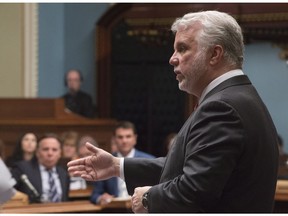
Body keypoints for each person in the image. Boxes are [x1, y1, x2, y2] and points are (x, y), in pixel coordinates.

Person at [67, 10, 279, 213]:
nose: (172, 58)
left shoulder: (222, 107)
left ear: (214, 54)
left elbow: (195, 190)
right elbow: (188, 169)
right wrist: (117, 165)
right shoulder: (238, 96)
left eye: (183, 48)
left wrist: (149, 198)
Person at [90, 121, 155, 205]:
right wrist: (100, 198)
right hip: (115, 209)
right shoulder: (105, 162)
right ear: (114, 139)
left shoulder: (148, 160)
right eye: (120, 137)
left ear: (135, 139)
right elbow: (95, 194)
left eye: (128, 136)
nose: (124, 141)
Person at [11, 133, 70, 203]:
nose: (50, 153)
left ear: (60, 153)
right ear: (37, 152)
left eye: (54, 150)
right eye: (45, 149)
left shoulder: (63, 173)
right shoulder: (22, 169)